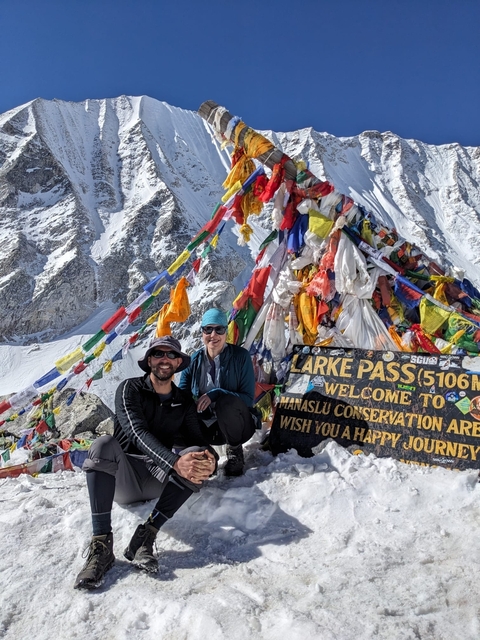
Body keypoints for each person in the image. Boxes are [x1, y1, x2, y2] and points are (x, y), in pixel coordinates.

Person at [74, 335, 217, 590]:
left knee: (196, 455)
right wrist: (174, 462)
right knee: (103, 444)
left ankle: (146, 535)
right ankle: (102, 546)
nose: (165, 359)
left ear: (178, 363)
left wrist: (211, 461)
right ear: (149, 360)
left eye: (171, 355)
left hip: (157, 477)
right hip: (123, 476)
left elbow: (200, 440)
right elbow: (136, 432)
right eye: (159, 354)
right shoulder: (130, 389)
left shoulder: (183, 401)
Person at [179, 308, 257, 476]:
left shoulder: (240, 357)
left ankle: (235, 453)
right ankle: (206, 455)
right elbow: (181, 394)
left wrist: (217, 393)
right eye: (208, 329)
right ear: (202, 332)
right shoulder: (194, 360)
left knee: (226, 401)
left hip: (238, 425)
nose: (213, 335)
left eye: (219, 329)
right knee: (179, 409)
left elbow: (248, 399)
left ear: (225, 332)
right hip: (206, 426)